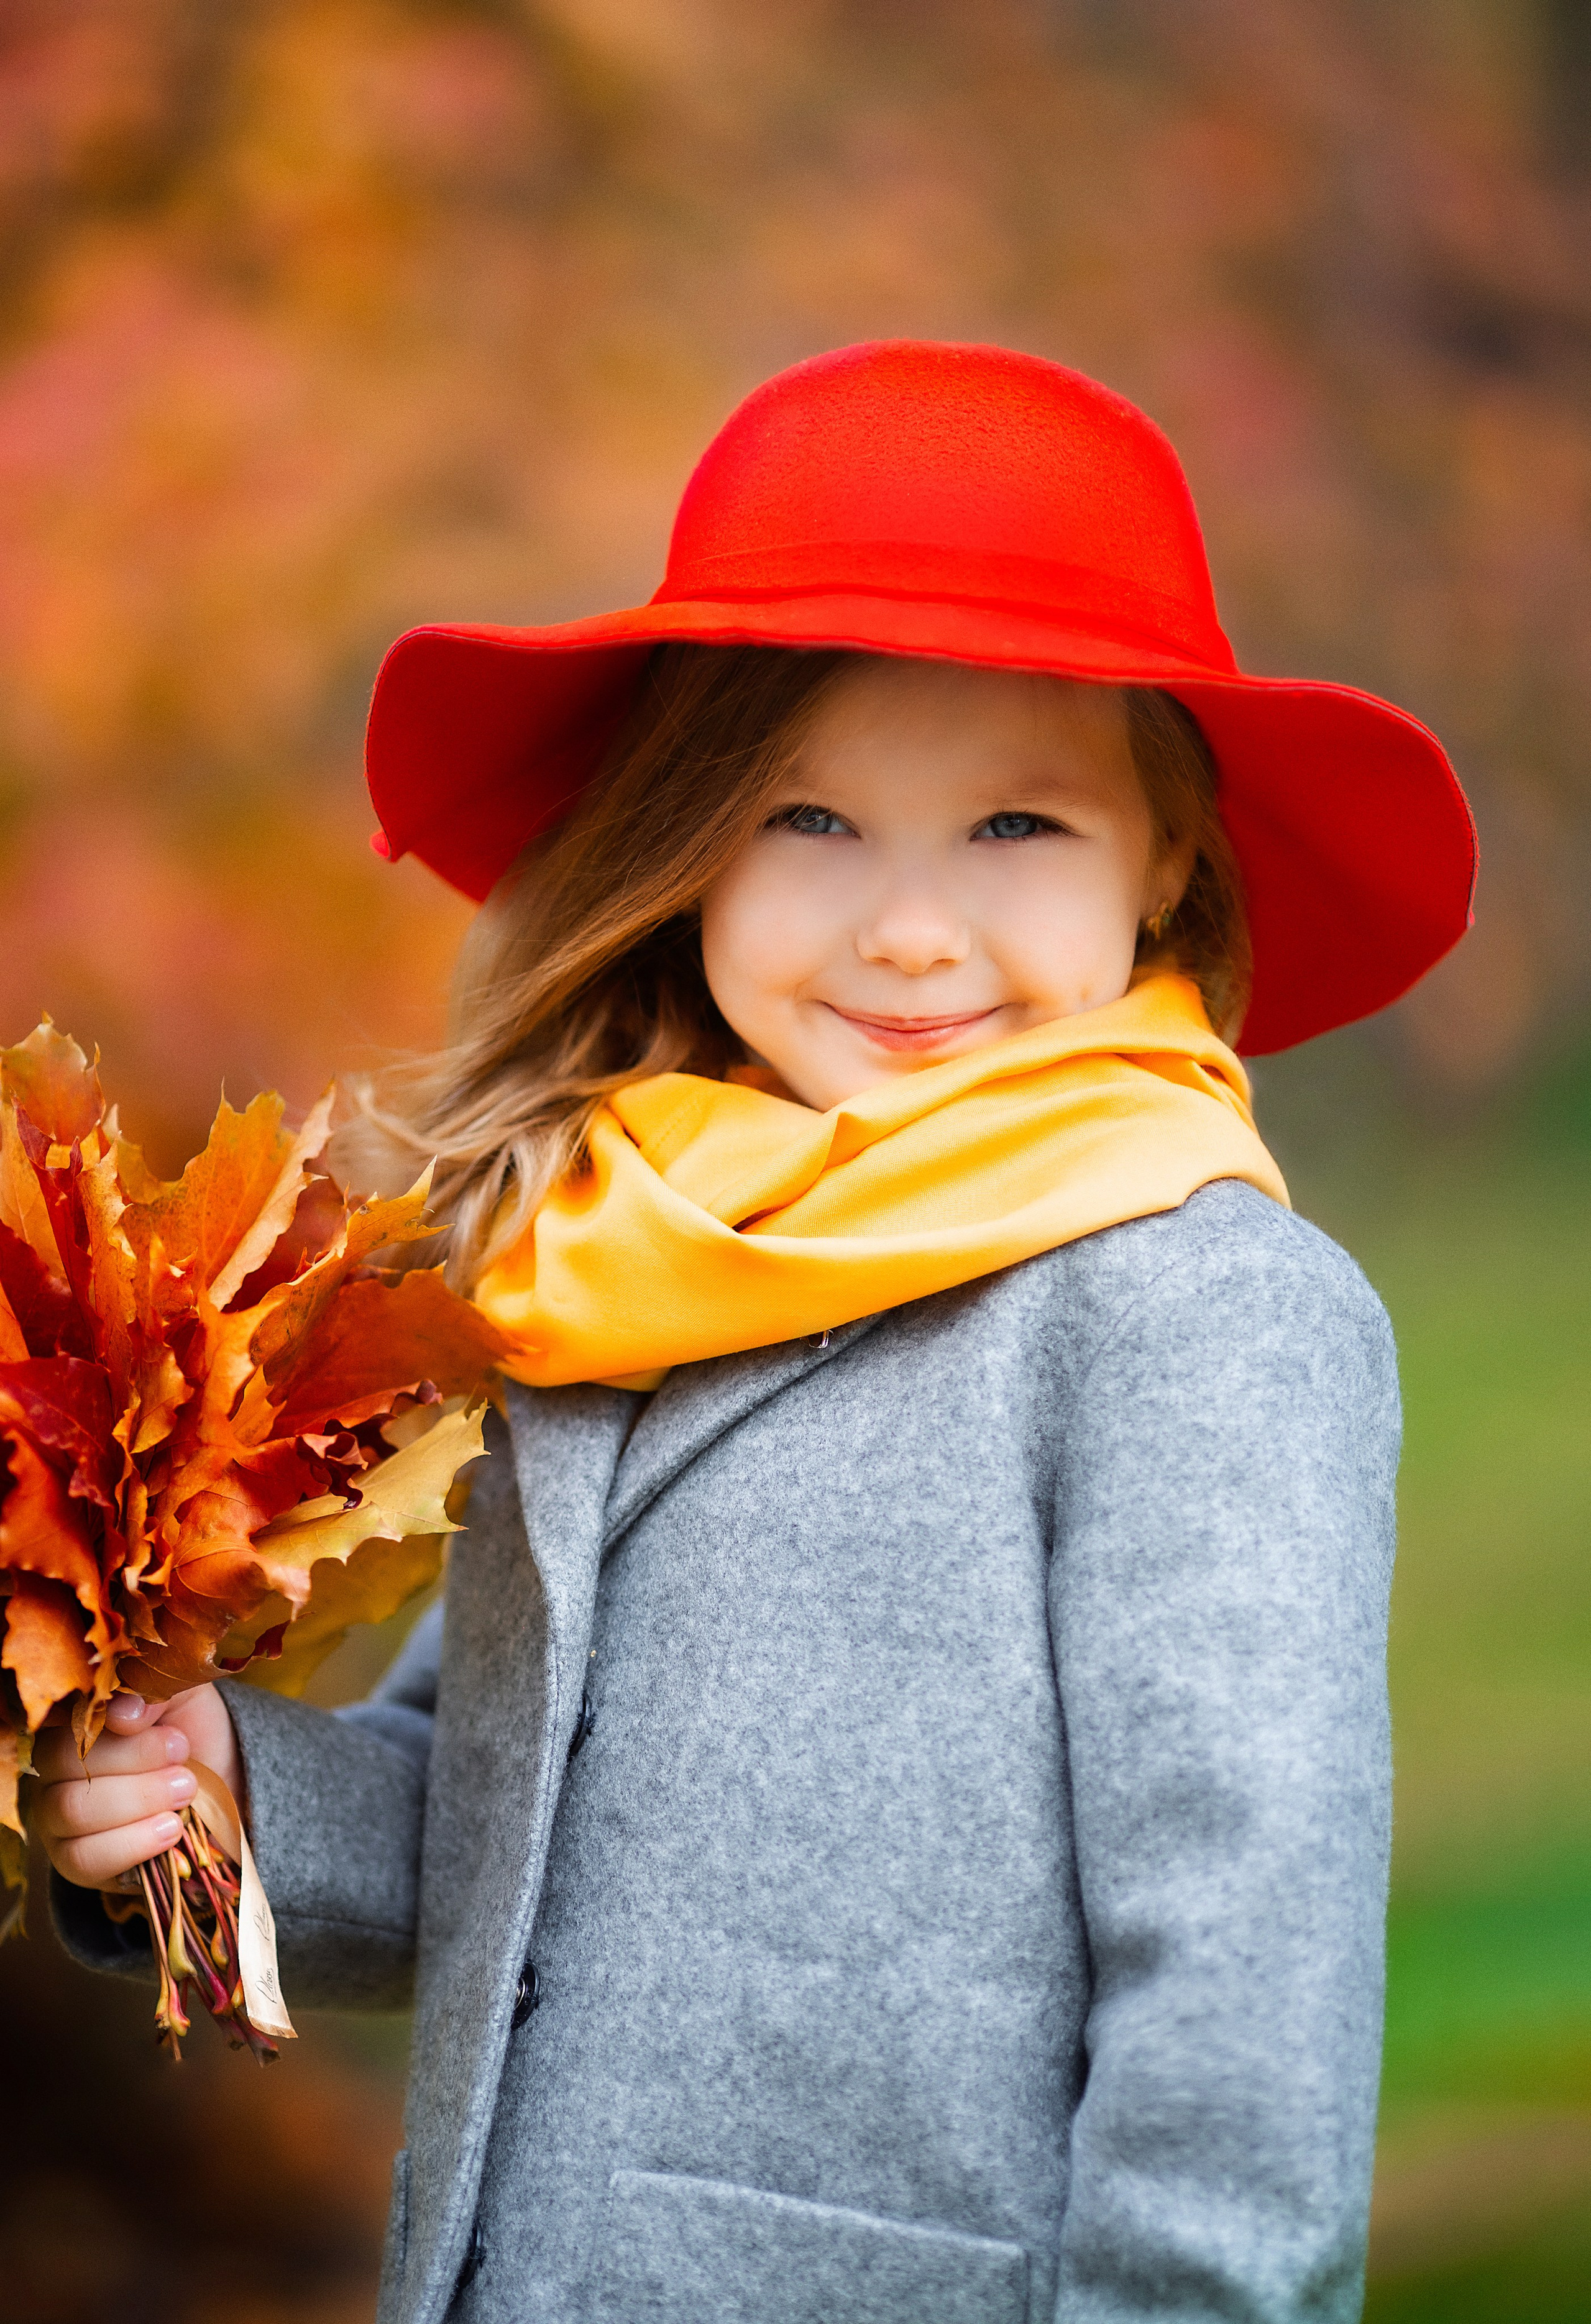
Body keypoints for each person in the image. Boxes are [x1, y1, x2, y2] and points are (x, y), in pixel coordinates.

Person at [37, 341, 1476, 2324]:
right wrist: (227, 1799)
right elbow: (510, 1820)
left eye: (1016, 829)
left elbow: (1245, 1985)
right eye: (810, 817)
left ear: (1165, 856)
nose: (904, 928)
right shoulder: (628, 1252)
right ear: (687, 837)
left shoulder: (1192, 1308)